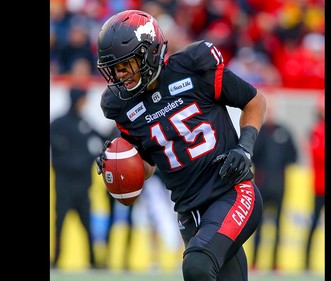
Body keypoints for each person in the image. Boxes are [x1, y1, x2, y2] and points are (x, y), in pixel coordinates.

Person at [95, 10, 266, 281]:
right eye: (114, 69)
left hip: (231, 192)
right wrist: (119, 161)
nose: (120, 75)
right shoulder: (121, 106)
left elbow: (254, 101)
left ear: (149, 53)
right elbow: (149, 165)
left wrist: (244, 147)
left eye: (125, 65)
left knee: (197, 265)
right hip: (189, 212)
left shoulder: (194, 65)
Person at [50, 87, 104, 269]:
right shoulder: (58, 124)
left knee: (87, 225)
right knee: (60, 224)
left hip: (82, 187)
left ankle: (93, 260)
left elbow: (102, 138)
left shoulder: (84, 122)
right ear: (76, 100)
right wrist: (82, 161)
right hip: (64, 186)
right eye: (82, 99)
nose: (84, 103)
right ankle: (56, 260)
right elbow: (57, 155)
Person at [250, 99, 298, 271]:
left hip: (279, 186)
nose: (270, 114)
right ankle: (255, 262)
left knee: (278, 225)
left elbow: (294, 156)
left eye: (272, 111)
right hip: (261, 187)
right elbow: (252, 155)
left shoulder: (284, 131)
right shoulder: (259, 132)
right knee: (259, 225)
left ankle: (275, 263)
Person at [305, 95, 325, 271]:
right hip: (320, 187)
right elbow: (318, 155)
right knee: (313, 224)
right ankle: (306, 261)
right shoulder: (317, 131)